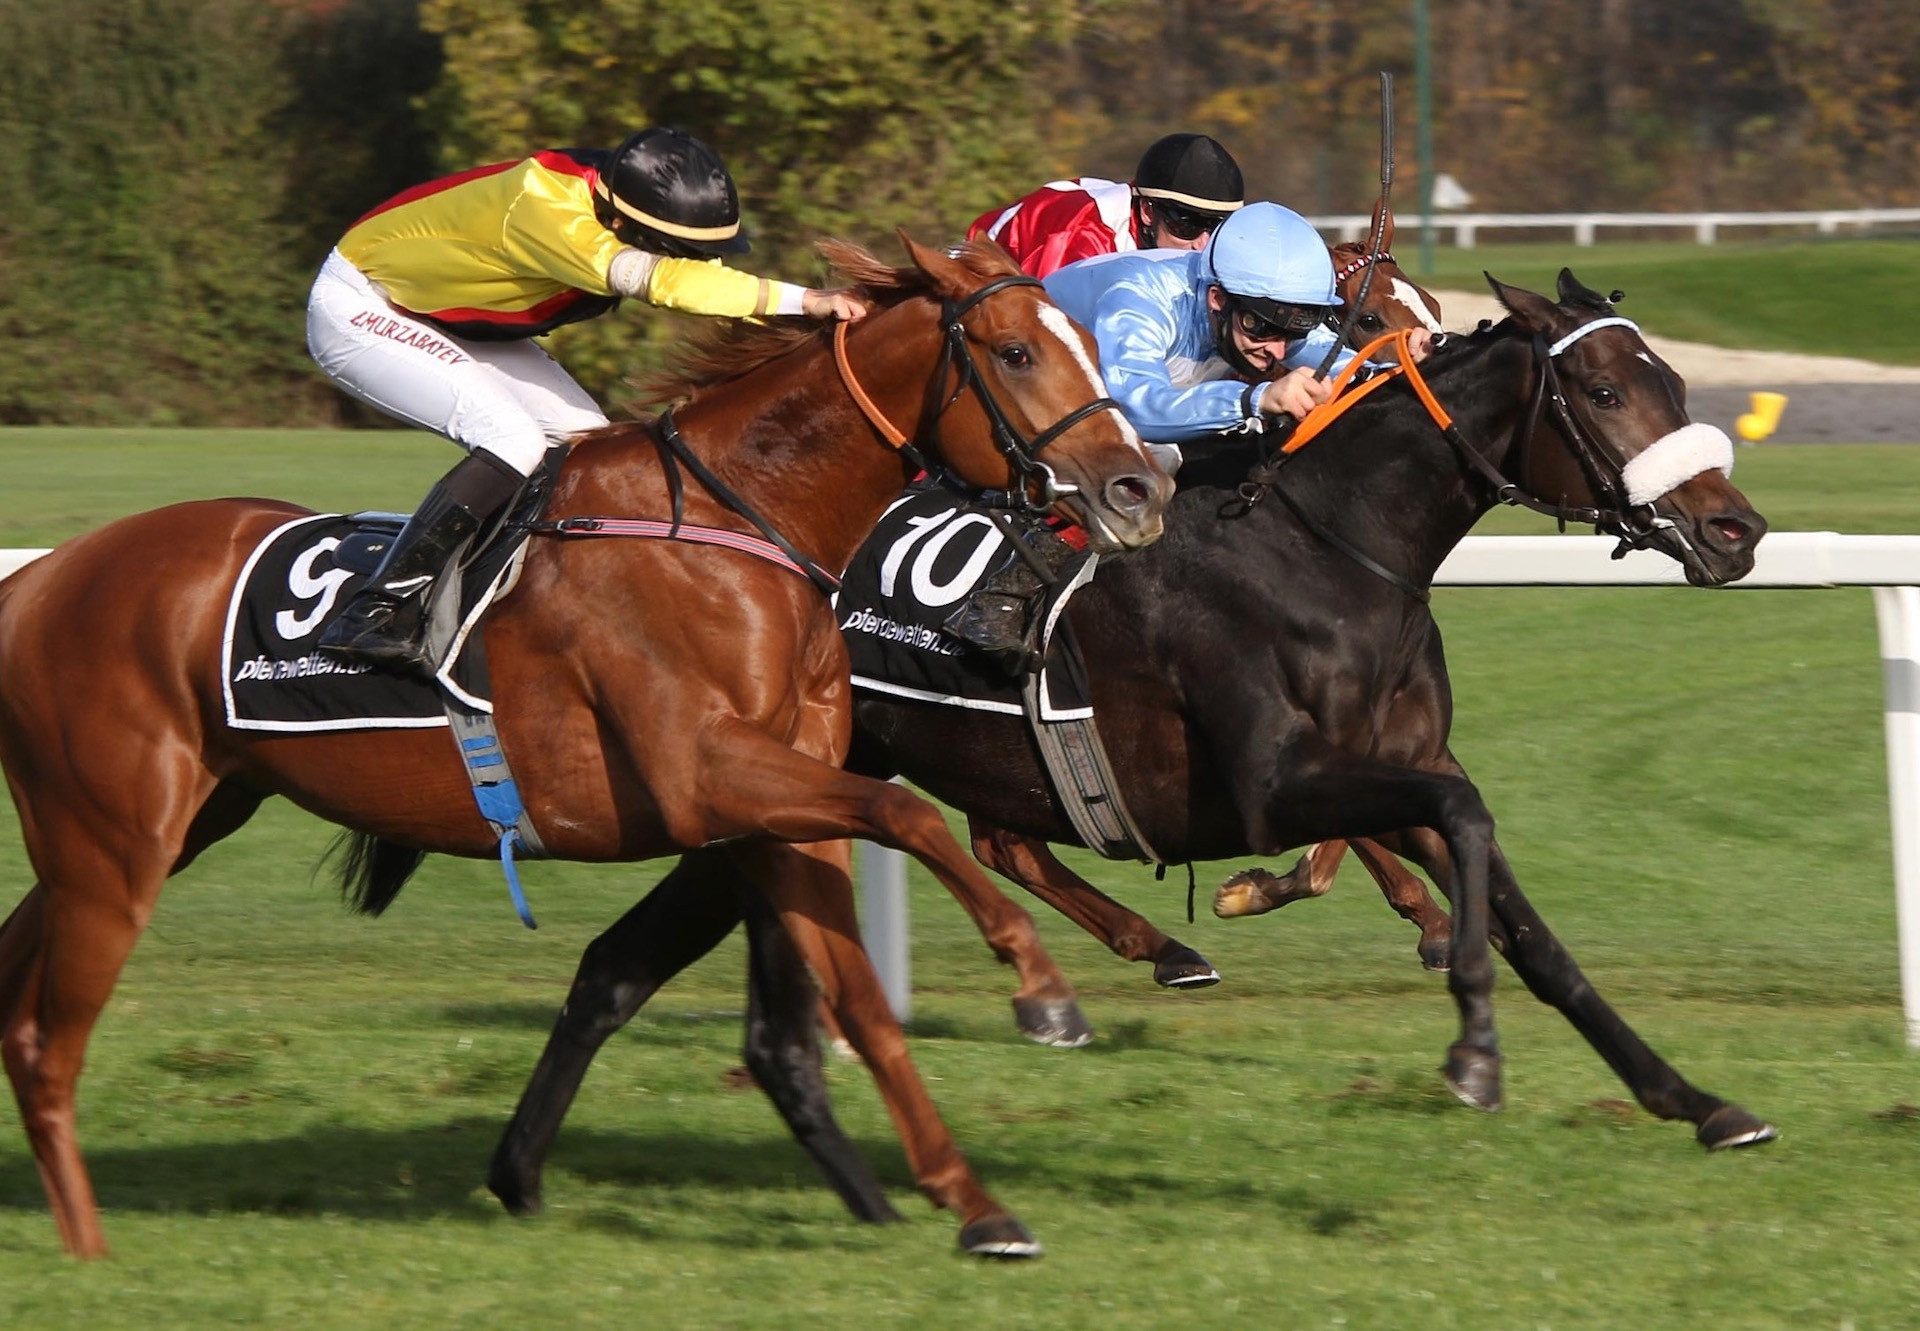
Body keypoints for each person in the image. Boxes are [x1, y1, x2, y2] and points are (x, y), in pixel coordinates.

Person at [305, 126, 867, 675]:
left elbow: (699, 278)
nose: (687, 259)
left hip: (446, 314)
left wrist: (807, 308)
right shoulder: (548, 213)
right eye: (676, 248)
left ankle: (528, 592)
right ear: (620, 222)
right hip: (366, 307)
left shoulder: (622, 200)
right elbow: (669, 284)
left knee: (587, 447)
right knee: (512, 440)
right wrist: (807, 300)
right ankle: (377, 609)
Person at [1043, 201, 1431, 470]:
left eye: (1289, 332)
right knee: (1158, 463)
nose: (1277, 350)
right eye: (1260, 328)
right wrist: (1256, 398)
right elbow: (1136, 409)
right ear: (1217, 299)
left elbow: (1330, 357)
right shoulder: (1140, 299)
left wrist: (1396, 365)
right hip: (1032, 415)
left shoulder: (1256, 307)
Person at [966, 132, 1244, 278]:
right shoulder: (1086, 245)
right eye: (1187, 225)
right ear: (1147, 211)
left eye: (1218, 227)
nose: (1202, 244)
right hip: (972, 279)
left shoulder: (1175, 243)